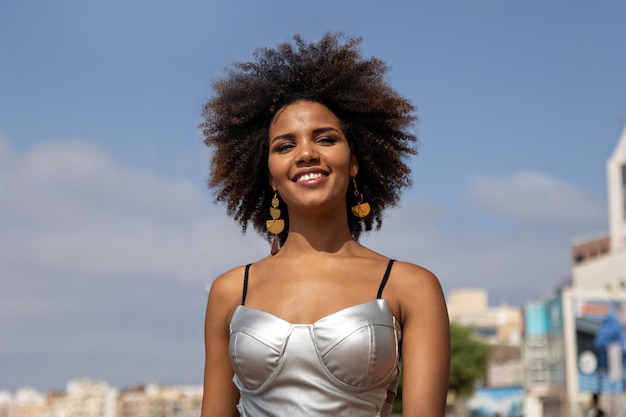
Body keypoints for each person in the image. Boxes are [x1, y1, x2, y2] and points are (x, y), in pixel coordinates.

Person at [199, 32, 450, 417]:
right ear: (269, 175)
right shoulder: (230, 291)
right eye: (285, 146)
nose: (306, 154)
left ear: (353, 162)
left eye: (326, 138)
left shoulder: (411, 287)